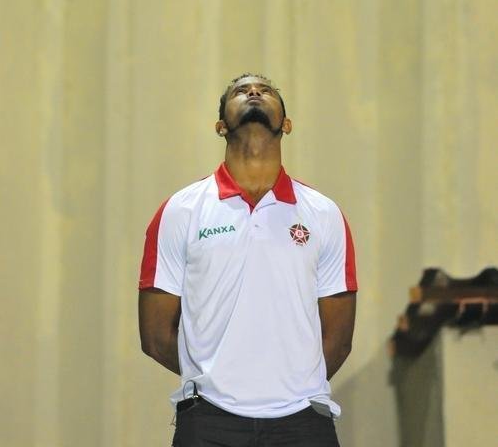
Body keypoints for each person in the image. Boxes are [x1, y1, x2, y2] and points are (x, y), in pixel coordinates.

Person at [138, 74, 357, 447]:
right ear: (221, 126)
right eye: (242, 91)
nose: (254, 92)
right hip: (208, 422)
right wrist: (220, 378)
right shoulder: (181, 211)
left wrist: (283, 386)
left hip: (303, 423)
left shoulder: (323, 214)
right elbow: (156, 337)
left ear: (286, 125)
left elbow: (337, 341)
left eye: (265, 90)